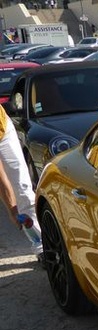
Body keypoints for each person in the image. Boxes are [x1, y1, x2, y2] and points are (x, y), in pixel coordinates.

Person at [0, 105, 40, 260]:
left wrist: (15, 209)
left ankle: (41, 245)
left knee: (23, 189)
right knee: (12, 196)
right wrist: (12, 210)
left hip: (4, 129)